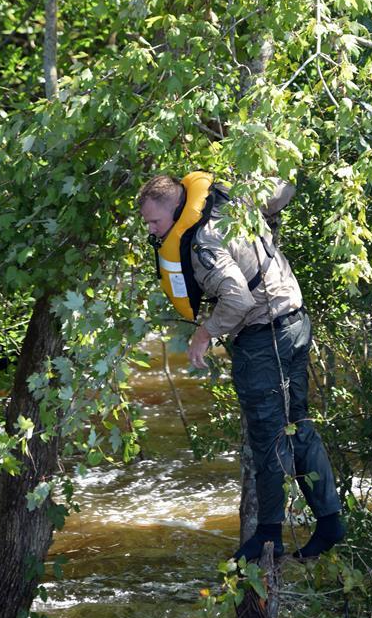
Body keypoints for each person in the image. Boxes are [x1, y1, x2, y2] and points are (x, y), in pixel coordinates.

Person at [138, 171, 345, 562]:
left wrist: (205, 333)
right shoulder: (229, 201)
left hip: (264, 337)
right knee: (297, 424)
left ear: (177, 207)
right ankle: (330, 522)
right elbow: (284, 190)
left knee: (268, 438)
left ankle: (267, 537)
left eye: (155, 222)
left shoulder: (203, 245)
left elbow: (238, 301)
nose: (152, 231)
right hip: (295, 321)